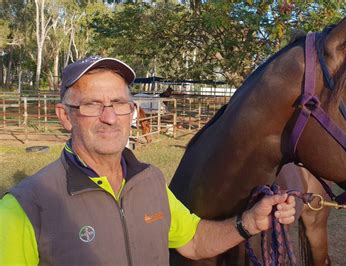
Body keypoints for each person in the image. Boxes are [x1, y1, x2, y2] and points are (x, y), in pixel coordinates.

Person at [0, 56, 296, 265]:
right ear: (66, 116)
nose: (109, 117)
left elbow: (193, 240)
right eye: (91, 104)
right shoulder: (23, 208)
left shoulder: (150, 181)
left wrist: (249, 222)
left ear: (132, 110)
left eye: (118, 103)